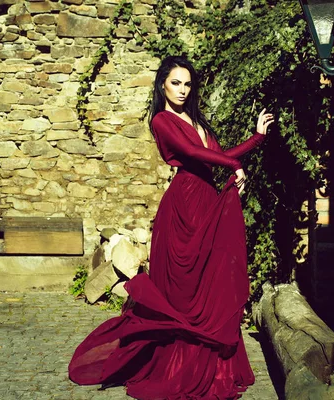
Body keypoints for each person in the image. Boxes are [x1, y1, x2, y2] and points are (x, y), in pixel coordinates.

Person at [68, 56, 274, 399]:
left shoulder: (195, 119)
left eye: (187, 84)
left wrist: (256, 138)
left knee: (214, 282)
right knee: (184, 292)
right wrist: (234, 165)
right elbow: (195, 153)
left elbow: (217, 155)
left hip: (209, 204)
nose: (182, 89)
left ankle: (213, 366)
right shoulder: (162, 120)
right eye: (176, 82)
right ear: (162, 83)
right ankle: (178, 366)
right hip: (184, 210)